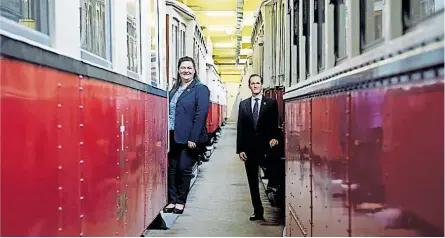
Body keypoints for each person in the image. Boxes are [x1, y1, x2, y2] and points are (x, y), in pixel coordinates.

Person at [163, 56, 210, 214]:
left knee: (184, 169)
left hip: (189, 138)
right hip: (172, 134)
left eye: (189, 68)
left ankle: (181, 201)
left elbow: (201, 114)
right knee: (172, 169)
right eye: (183, 68)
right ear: (178, 70)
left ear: (194, 70)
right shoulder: (174, 89)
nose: (186, 71)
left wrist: (193, 138)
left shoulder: (200, 88)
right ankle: (172, 200)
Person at [236, 74, 280, 221]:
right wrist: (240, 149)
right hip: (249, 149)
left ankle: (275, 191)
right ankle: (258, 211)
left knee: (273, 172)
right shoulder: (243, 105)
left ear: (261, 85)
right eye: (253, 83)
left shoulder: (271, 103)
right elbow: (240, 128)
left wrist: (275, 138)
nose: (255, 86)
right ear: (249, 86)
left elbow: (275, 125)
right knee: (252, 182)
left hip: (266, 148)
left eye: (258, 83)